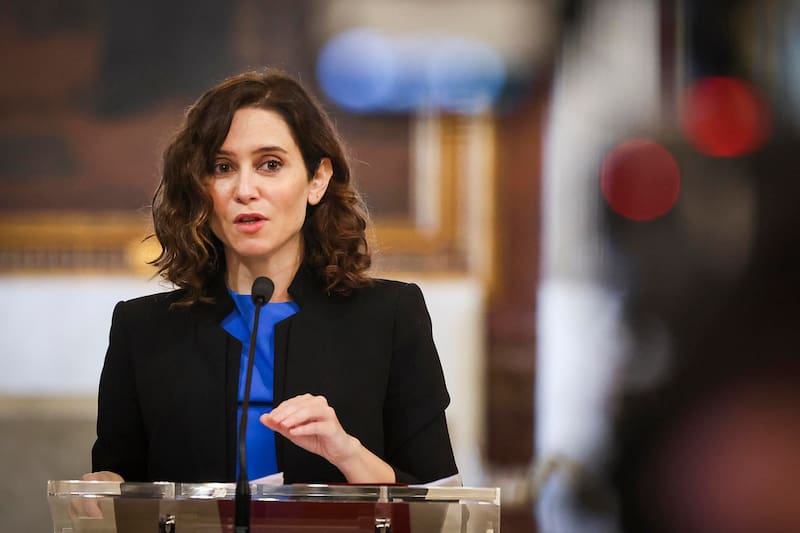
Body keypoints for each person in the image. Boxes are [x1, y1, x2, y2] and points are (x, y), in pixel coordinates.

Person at [82, 69, 458, 485]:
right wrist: (102, 488)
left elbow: (437, 500)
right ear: (199, 187)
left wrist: (346, 451)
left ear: (317, 180)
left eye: (270, 164)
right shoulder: (143, 329)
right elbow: (118, 478)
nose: (245, 189)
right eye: (222, 167)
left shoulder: (389, 317)